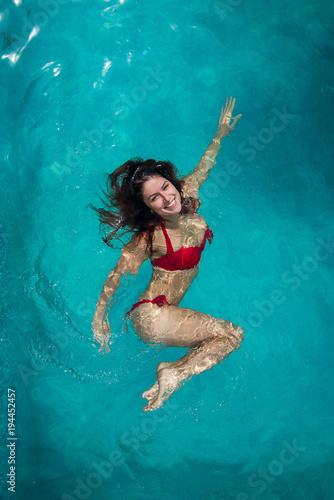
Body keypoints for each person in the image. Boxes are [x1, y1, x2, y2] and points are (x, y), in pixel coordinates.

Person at [91, 97, 244, 412]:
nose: (166, 198)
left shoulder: (187, 193)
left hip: (167, 312)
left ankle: (172, 372)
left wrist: (220, 134)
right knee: (230, 335)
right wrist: (99, 318)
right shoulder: (150, 238)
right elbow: (116, 274)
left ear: (173, 182)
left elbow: (205, 165)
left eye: (165, 187)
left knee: (227, 337)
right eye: (154, 198)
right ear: (148, 207)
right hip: (150, 316)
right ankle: (173, 373)